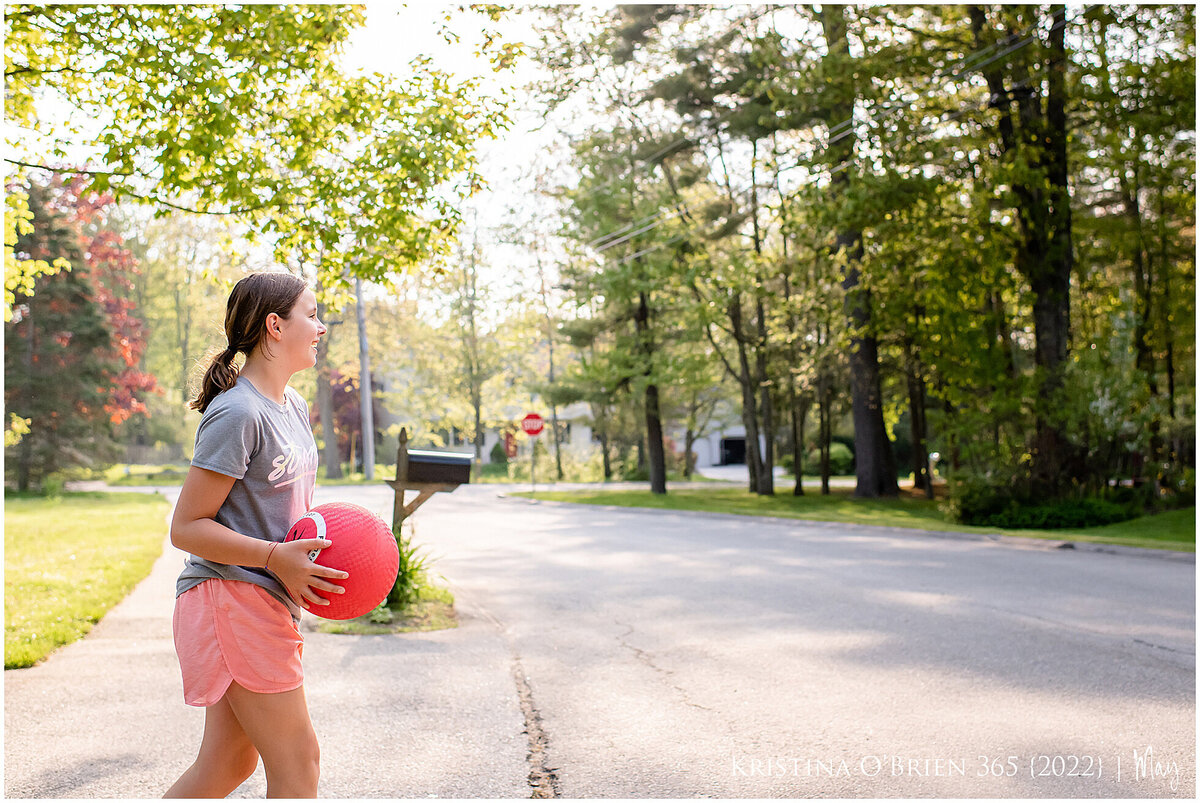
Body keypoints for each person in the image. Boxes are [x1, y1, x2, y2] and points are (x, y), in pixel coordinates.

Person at [165, 272, 347, 798]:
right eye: (311, 315)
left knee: (226, 764)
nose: (320, 327)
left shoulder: (289, 406)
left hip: (263, 598)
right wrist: (274, 557)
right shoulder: (238, 412)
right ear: (274, 325)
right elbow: (187, 527)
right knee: (299, 762)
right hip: (229, 596)